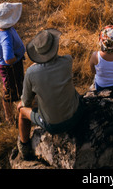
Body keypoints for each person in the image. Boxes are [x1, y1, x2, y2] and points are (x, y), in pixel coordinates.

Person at [17, 29, 83, 160]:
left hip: (53, 125)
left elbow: (26, 101)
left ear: (37, 53)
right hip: (77, 114)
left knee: (22, 111)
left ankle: (24, 147)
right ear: (56, 47)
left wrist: (21, 104)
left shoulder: (31, 73)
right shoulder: (67, 61)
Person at [0, 2, 25, 122]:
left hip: (2, 63)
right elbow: (8, 58)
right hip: (10, 67)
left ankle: (10, 115)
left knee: (8, 85)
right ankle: (10, 117)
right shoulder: (6, 37)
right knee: (11, 91)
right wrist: (17, 59)